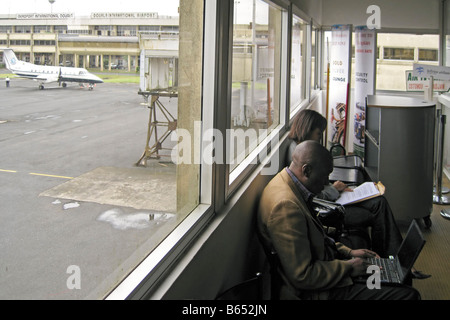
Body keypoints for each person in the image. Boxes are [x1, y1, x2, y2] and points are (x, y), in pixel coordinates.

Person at [257, 140, 421, 300]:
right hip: (318, 290)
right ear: (306, 171)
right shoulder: (286, 207)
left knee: (391, 277)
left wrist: (348, 252)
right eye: (324, 177)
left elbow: (315, 240)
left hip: (327, 271)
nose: (325, 184)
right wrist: (349, 267)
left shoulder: (286, 183)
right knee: (407, 294)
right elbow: (303, 276)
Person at [285, 109, 429, 279]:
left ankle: (395, 262)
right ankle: (394, 264)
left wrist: (333, 187)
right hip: (328, 207)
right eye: (318, 133)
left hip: (334, 198)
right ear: (307, 129)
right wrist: (334, 190)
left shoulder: (301, 149)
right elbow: (313, 197)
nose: (319, 138)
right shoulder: (296, 154)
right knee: (375, 211)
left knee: (379, 202)